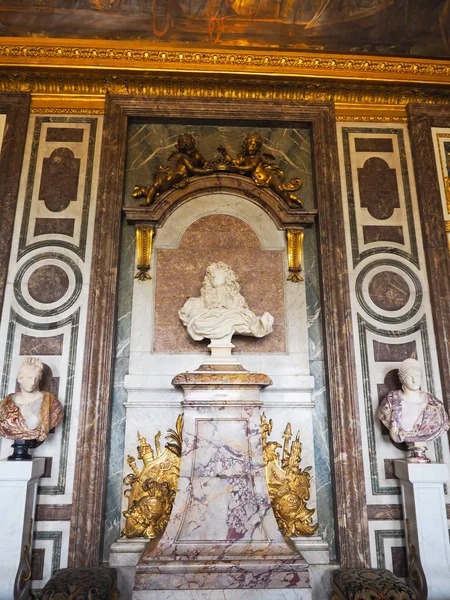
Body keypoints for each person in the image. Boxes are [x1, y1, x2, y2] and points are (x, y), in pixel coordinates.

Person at [179, 261, 274, 344]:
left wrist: (260, 323)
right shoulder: (195, 303)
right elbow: (196, 322)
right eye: (211, 275)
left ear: (227, 276)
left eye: (217, 273)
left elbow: (248, 319)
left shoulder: (237, 301)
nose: (214, 276)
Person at [378, 358, 450, 463]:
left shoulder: (435, 404)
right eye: (409, 376)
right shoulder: (390, 402)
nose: (414, 380)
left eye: (417, 376)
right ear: (402, 379)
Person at [217, 133, 303, 206]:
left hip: (269, 177)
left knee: (280, 189)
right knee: (278, 191)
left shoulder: (256, 158)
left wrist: (237, 167)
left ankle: (289, 203)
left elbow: (250, 167)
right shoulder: (243, 158)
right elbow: (233, 162)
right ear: (246, 146)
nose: (252, 147)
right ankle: (293, 197)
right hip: (258, 180)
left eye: (255, 145)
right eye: (250, 144)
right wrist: (224, 153)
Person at [132, 133, 213, 206]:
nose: (187, 142)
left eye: (188, 140)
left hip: (180, 175)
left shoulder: (197, 155)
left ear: (192, 141)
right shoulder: (183, 156)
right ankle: (148, 200)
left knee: (167, 180)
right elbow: (192, 169)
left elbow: (205, 163)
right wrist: (206, 171)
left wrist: (208, 166)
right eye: (184, 142)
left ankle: (147, 191)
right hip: (173, 172)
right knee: (157, 183)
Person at [0, 358, 63, 442]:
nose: (33, 382)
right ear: (20, 379)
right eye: (29, 378)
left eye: (36, 378)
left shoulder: (51, 403)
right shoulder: (6, 403)